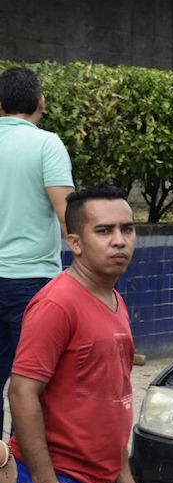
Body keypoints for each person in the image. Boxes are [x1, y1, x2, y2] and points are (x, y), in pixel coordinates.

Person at [8, 183, 138, 483]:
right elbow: (22, 392)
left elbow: (112, 393)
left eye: (127, 228)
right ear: (75, 241)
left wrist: (121, 470)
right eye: (104, 230)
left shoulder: (114, 299)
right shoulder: (57, 303)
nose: (119, 240)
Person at [0, 66, 74, 434]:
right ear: (41, 102)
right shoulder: (47, 145)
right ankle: (21, 476)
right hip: (32, 286)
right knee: (28, 387)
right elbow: (69, 217)